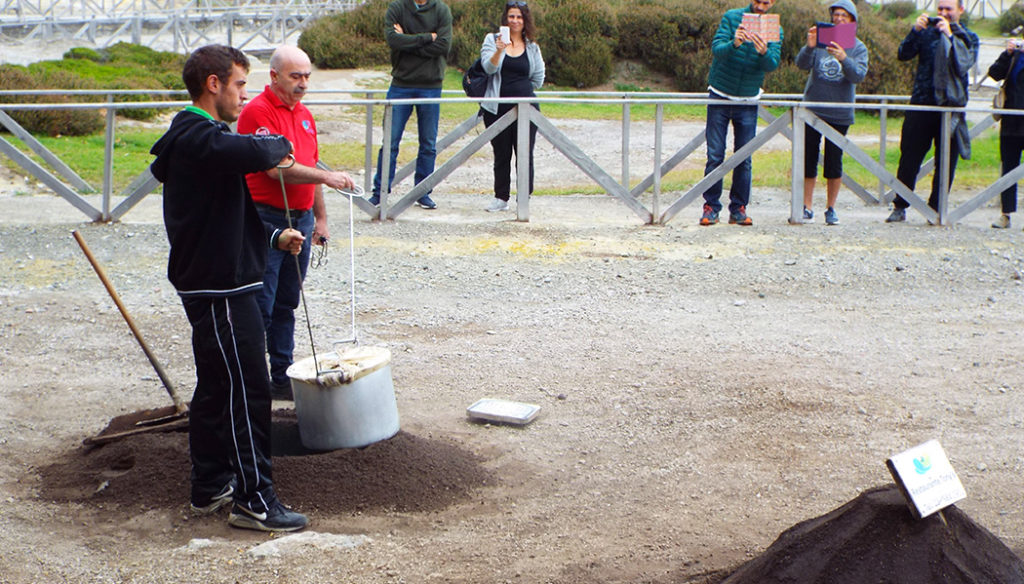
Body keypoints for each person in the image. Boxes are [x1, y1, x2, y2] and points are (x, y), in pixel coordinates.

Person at [149, 44, 308, 532]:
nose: (244, 93)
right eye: (240, 84)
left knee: (218, 385)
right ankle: (254, 500)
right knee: (248, 387)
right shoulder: (196, 134)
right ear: (213, 84)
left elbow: (221, 215)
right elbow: (254, 149)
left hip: (221, 281)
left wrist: (271, 234)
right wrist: (277, 143)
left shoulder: (203, 140)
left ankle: (210, 484)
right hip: (219, 288)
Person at [236, 45, 356, 399]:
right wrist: (330, 177)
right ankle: (252, 380)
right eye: (295, 76)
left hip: (301, 218)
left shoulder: (304, 114)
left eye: (307, 76)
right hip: (267, 219)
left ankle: (280, 376)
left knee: (289, 300)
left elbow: (311, 166)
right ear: (274, 76)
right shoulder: (258, 112)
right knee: (263, 303)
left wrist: (320, 217)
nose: (303, 83)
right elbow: (275, 169)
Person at [886, 0, 978, 224]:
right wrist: (915, 31)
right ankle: (900, 205)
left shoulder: (969, 37)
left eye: (949, 9)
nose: (944, 13)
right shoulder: (926, 32)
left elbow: (965, 63)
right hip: (922, 103)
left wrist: (949, 36)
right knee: (909, 156)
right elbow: (903, 54)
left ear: (960, 10)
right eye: (941, 9)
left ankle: (936, 209)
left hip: (951, 107)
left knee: (946, 161)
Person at [700, 0, 783, 227]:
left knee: (744, 158)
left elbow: (773, 64)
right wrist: (734, 43)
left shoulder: (775, 28)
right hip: (719, 94)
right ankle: (710, 207)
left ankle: (738, 208)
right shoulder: (731, 17)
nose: (761, 6)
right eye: (758, 1)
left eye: (766, 2)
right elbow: (717, 50)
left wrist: (764, 51)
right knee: (715, 155)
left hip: (748, 100)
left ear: (773, 2)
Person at [368, 0, 453, 210]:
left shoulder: (441, 10)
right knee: (390, 141)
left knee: (428, 143)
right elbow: (393, 40)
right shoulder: (397, 7)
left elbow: (443, 45)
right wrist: (427, 38)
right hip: (401, 85)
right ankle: (380, 193)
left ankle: (422, 192)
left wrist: (408, 40)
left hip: (431, 86)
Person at [795, 0, 868, 226]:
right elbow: (801, 64)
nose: (838, 19)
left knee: (834, 162)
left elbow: (858, 76)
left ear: (852, 21)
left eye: (844, 16)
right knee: (808, 159)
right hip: (813, 109)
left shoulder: (858, 47)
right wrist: (809, 46)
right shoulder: (820, 41)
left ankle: (831, 208)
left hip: (840, 111)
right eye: (835, 14)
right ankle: (806, 206)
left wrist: (844, 58)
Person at [479, 1, 545, 213]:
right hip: (498, 107)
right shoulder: (492, 40)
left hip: (527, 108)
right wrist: (499, 50)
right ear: (505, 19)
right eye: (511, 17)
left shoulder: (532, 46)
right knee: (502, 153)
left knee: (525, 153)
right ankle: (501, 197)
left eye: (519, 17)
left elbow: (538, 79)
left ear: (525, 21)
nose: (515, 21)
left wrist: (522, 88)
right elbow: (488, 68)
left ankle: (524, 198)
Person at [987, 37, 1024, 229]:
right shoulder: (1015, 56)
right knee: (1008, 168)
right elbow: (994, 73)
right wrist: (1007, 54)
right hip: (1011, 122)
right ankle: (1006, 214)